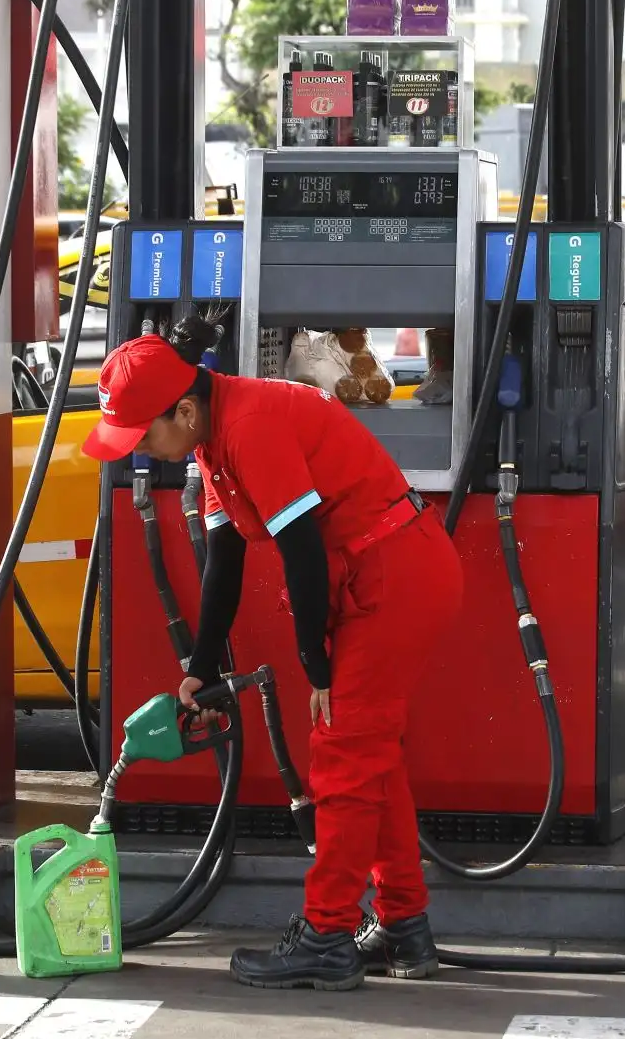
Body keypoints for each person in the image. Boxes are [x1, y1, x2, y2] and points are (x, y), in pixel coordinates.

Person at [80, 317, 464, 990]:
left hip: (394, 574)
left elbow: (302, 549)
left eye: (144, 434)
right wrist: (199, 667)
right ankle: (404, 925)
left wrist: (315, 665)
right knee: (372, 755)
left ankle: (327, 935)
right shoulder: (211, 439)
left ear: (186, 409)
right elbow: (224, 562)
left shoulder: (250, 425)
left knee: (343, 750)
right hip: (381, 572)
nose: (141, 451)